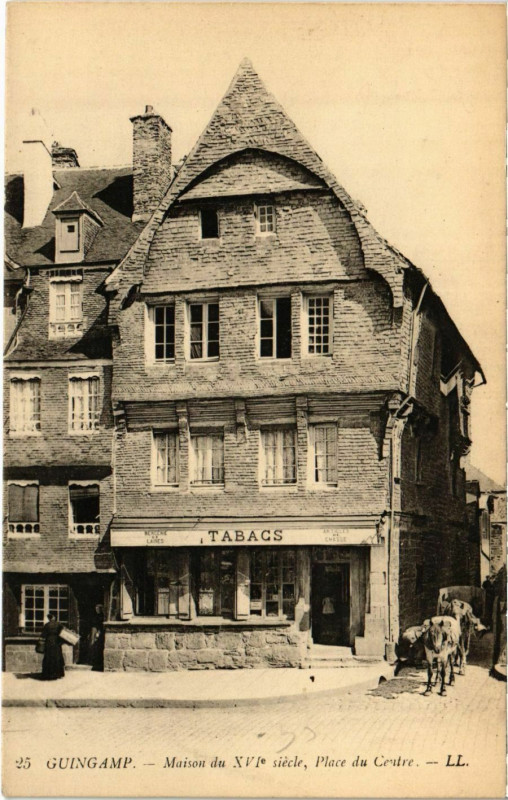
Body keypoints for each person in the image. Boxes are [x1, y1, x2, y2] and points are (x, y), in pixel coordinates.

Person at [40, 613, 65, 680]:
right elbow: (64, 633)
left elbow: (43, 635)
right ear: (54, 618)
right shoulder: (59, 624)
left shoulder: (46, 625)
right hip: (56, 642)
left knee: (48, 658)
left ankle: (48, 675)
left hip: (49, 643)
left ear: (49, 618)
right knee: (57, 658)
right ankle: (57, 674)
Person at [90, 604, 105, 671]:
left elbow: (100, 625)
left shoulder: (102, 616)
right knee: (92, 644)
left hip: (98, 631)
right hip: (93, 630)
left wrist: (98, 632)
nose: (97, 610)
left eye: (98, 608)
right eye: (96, 608)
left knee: (97, 645)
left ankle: (97, 662)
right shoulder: (95, 616)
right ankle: (92, 660)